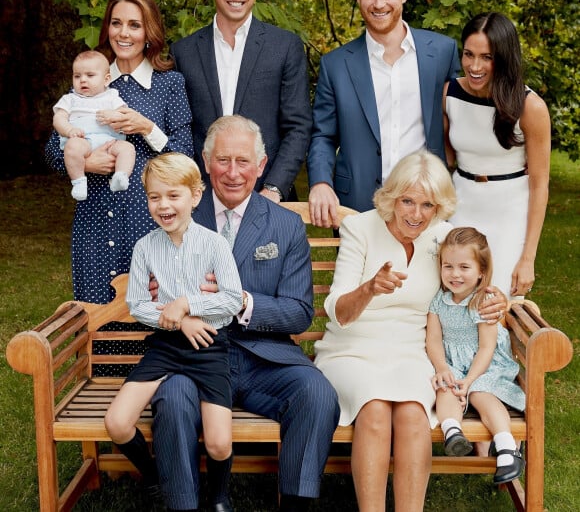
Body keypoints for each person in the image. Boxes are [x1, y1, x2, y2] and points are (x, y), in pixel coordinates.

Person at [151, 115, 340, 512]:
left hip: (263, 358)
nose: (233, 173)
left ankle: (296, 504)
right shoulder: (175, 216)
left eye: (243, 161)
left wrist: (240, 301)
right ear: (205, 162)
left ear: (261, 165)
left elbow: (299, 312)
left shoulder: (286, 226)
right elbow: (153, 291)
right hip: (193, 358)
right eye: (223, 160)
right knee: (172, 397)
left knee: (317, 393)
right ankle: (184, 504)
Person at [313, 151, 507, 512]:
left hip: (414, 350)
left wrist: (496, 302)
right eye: (407, 201)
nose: (416, 214)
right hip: (353, 348)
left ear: (439, 206)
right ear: (392, 197)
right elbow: (337, 311)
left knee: (413, 413)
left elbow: (472, 282)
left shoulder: (444, 237)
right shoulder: (360, 228)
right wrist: (369, 288)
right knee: (373, 408)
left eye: (427, 205)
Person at [104, 152, 243, 507]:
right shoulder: (145, 248)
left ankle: (219, 495)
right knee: (118, 422)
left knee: (218, 443)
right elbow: (137, 304)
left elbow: (230, 300)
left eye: (173, 195)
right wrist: (178, 317)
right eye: (154, 197)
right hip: (165, 347)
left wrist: (189, 304)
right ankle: (152, 477)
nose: (163, 205)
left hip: (208, 348)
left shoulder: (215, 244)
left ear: (195, 196)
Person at [45, 0, 194, 306]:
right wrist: (85, 164)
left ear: (149, 32)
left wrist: (147, 128)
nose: (123, 33)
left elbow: (185, 155)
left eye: (134, 25)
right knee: (97, 311)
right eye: (116, 23)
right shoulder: (89, 78)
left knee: (152, 310)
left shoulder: (169, 84)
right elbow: (51, 149)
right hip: (94, 217)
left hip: (148, 217)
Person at [307, 0, 461, 227]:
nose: (379, 4)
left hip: (427, 203)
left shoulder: (441, 53)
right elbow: (323, 136)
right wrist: (320, 182)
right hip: (357, 204)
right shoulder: (336, 64)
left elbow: (460, 120)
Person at [170, 0, 312, 203]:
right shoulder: (183, 52)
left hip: (267, 196)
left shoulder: (284, 47)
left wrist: (274, 189)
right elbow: (181, 130)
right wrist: (194, 188)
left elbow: (298, 127)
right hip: (202, 200)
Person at [444, 12, 551, 298]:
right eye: (468, 54)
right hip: (461, 207)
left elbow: (540, 185)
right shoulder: (449, 94)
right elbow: (446, 159)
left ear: (503, 58)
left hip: (509, 214)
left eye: (486, 57)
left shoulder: (531, 107)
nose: (474, 66)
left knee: (498, 304)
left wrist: (528, 258)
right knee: (454, 300)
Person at [426, 227, 525, 484]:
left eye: (464, 267)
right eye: (448, 266)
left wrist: (469, 381)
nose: (454, 274)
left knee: (480, 393)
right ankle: (453, 433)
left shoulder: (484, 300)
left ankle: (506, 447)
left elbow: (486, 348)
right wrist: (441, 367)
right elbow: (434, 340)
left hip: (485, 366)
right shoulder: (438, 300)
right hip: (453, 364)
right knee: (445, 388)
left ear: (481, 270)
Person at [53, 50, 135, 201]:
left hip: (110, 141)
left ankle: (121, 175)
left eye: (90, 75)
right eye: (77, 76)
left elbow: (125, 115)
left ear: (106, 79)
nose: (82, 80)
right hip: (82, 140)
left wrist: (115, 115)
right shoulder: (70, 99)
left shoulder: (112, 96)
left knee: (128, 149)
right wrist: (69, 130)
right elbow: (59, 118)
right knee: (72, 148)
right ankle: (78, 181)